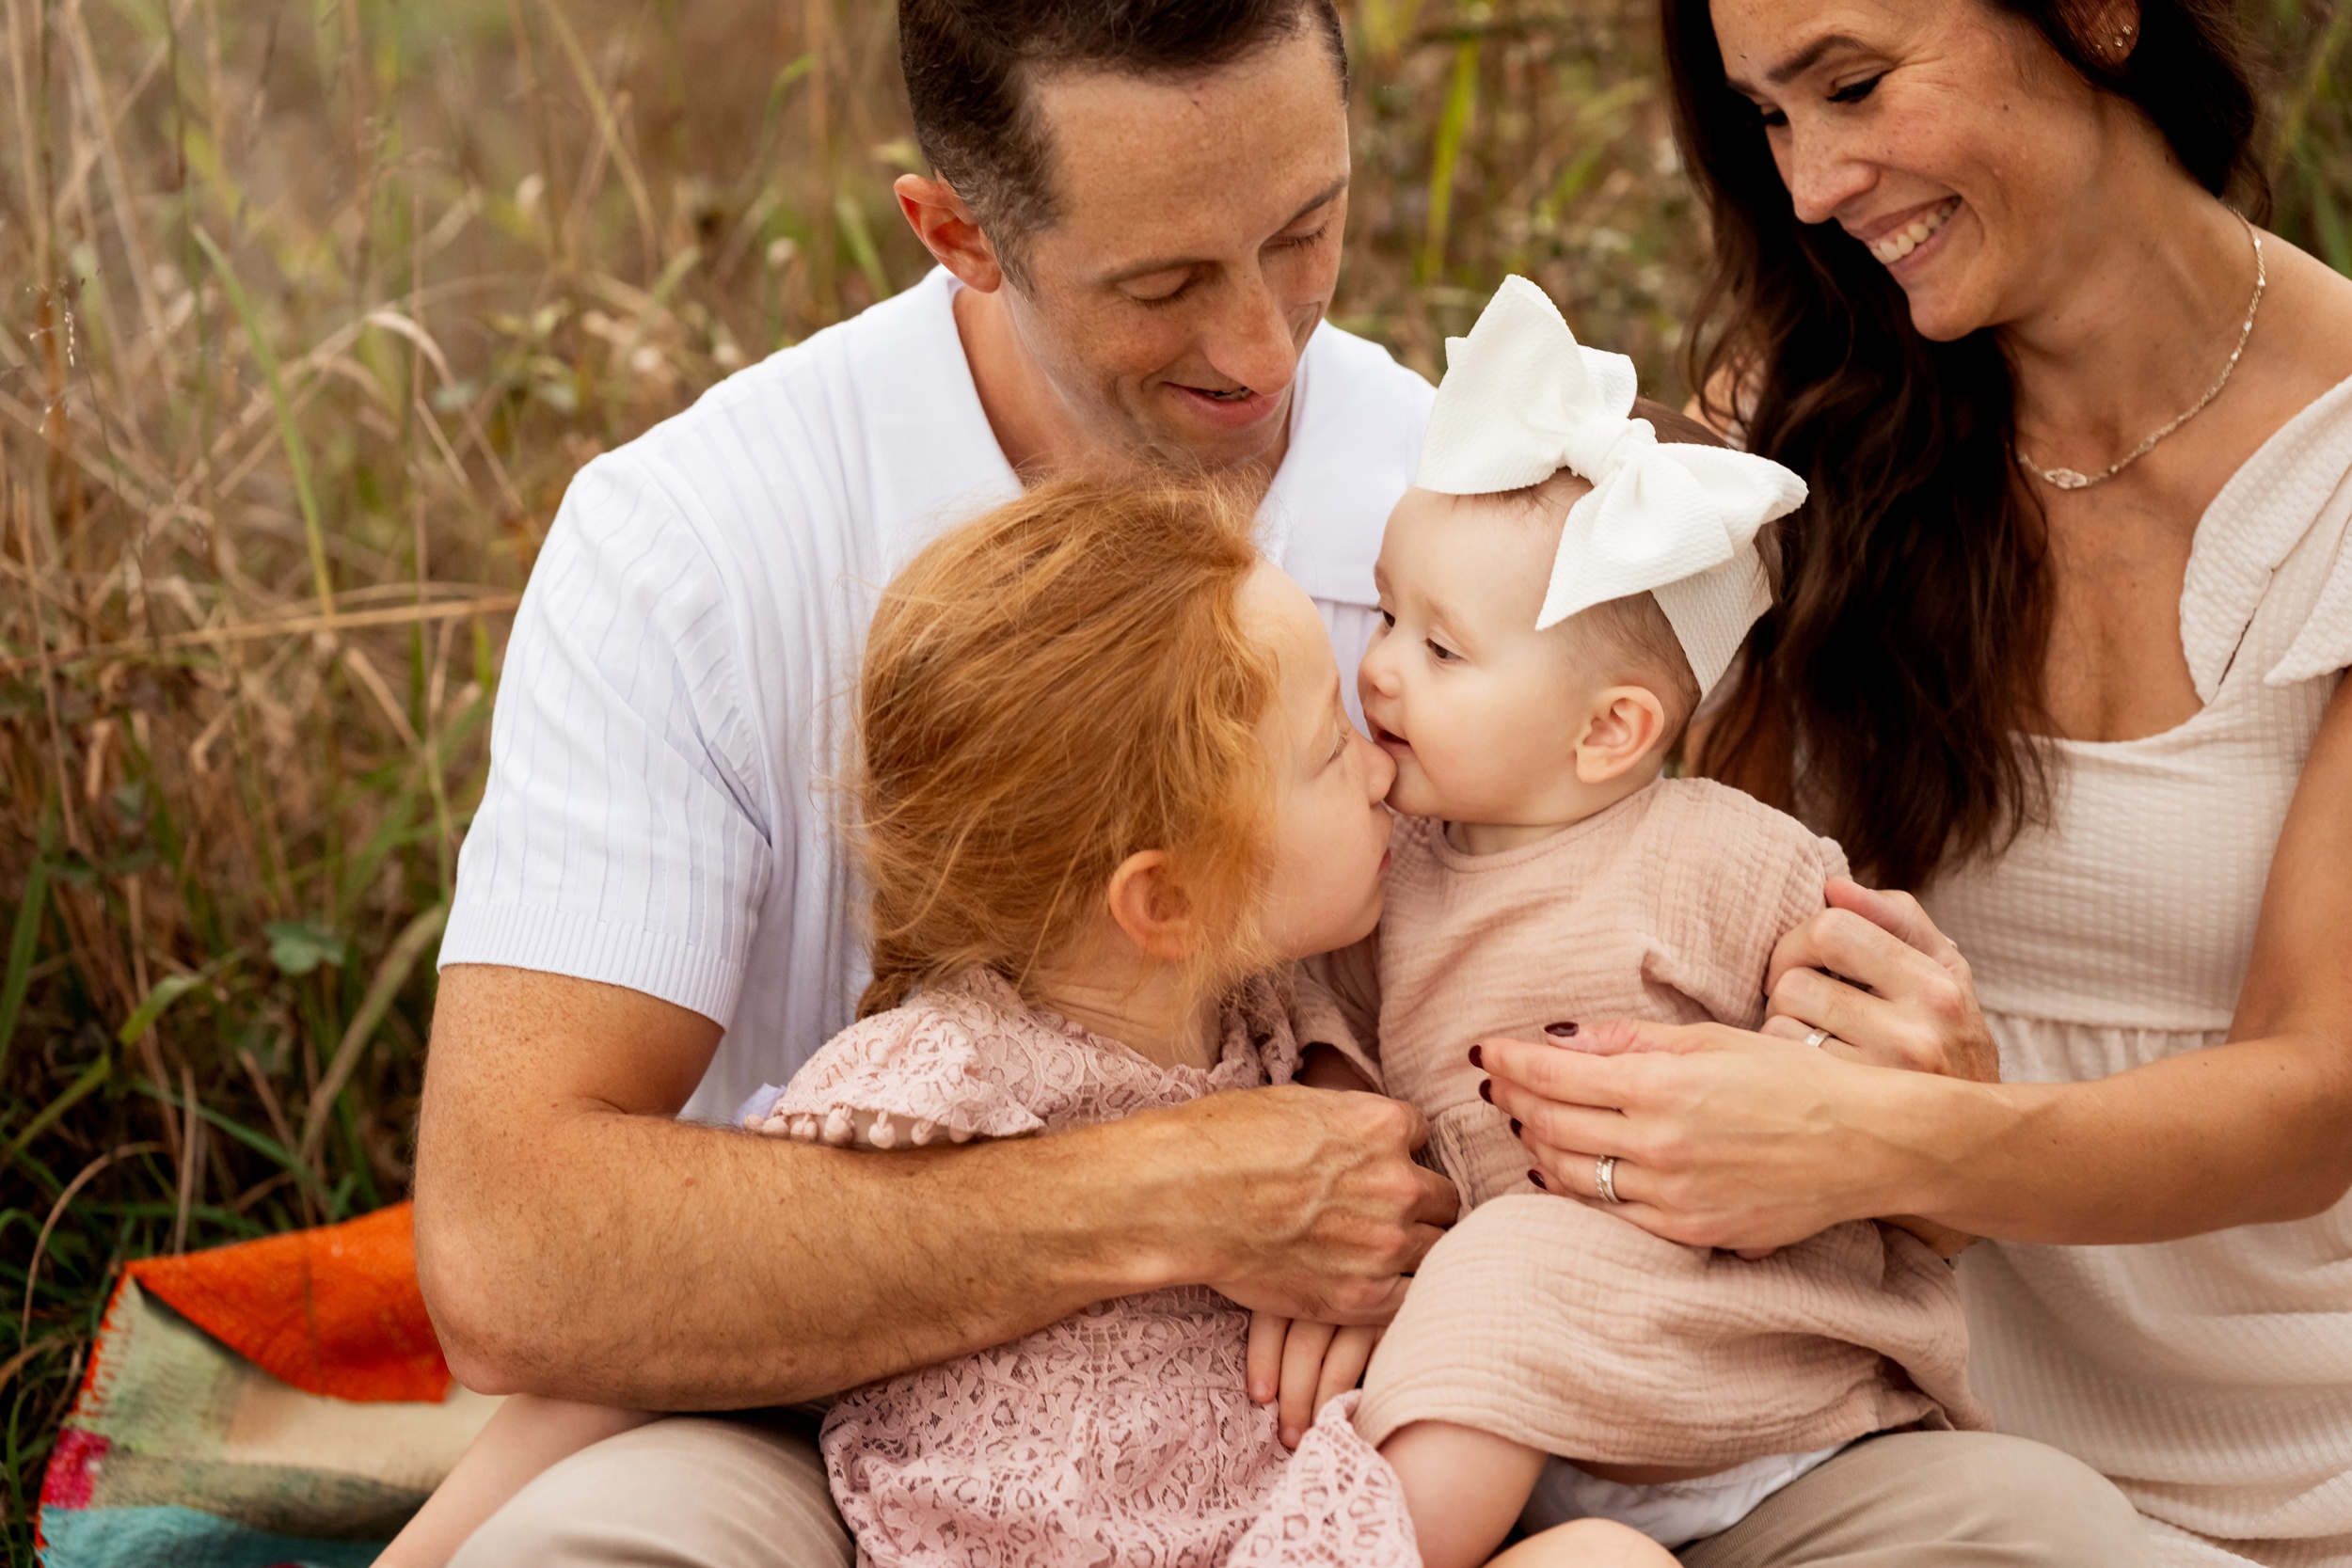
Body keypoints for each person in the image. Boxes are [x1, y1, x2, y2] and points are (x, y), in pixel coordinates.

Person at [416, 4, 1453, 1563]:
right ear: (958, 231)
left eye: (1308, 231)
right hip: (837, 1411)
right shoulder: (696, 546)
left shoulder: (1466, 510)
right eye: (1161, 284)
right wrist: (1165, 1196)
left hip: (1339, 1420)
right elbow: (516, 1261)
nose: (1261, 347)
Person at [1479, 4, 2352, 1564]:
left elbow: (2319, 1095)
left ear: (2096, 14)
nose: (1812, 184)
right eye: (1770, 119)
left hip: (2297, 1476)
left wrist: (1897, 1141)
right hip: (1864, 1464)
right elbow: (1639, 884)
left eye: (1855, 86)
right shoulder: (1811, 426)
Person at [1317, 277, 2123, 1568]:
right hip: (1504, 1398)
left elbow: (1874, 1009)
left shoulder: (1712, 855)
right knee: (1497, 1272)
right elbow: (1315, 1019)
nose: (1380, 665)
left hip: (1714, 1352)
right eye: (1387, 610)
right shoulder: (1382, 860)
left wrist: (1812, 1076)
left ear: (1610, 732)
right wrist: (1322, 1086)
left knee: (2047, 1518)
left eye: (1443, 648)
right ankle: (1360, 1542)